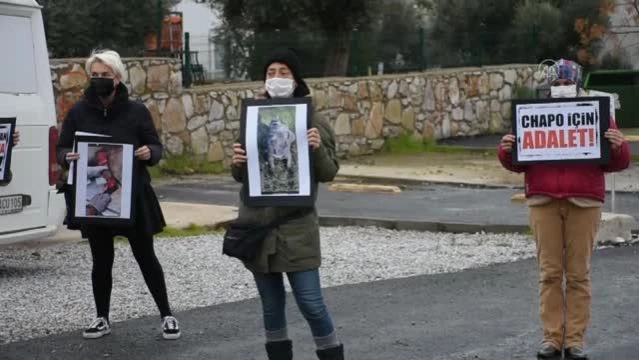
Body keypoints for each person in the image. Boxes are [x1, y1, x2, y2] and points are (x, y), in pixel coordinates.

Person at [498, 59, 630, 359]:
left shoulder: (598, 115)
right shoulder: (532, 114)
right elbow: (517, 161)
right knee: (549, 273)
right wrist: (505, 150)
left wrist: (619, 145)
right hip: (543, 200)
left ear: (578, 84)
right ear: (549, 86)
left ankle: (574, 341)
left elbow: (617, 161)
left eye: (566, 83)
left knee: (579, 274)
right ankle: (551, 339)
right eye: (556, 84)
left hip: (584, 201)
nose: (560, 88)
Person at [56, 49, 180, 341]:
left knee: (146, 256)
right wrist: (67, 157)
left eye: (105, 75)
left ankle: (167, 314)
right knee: (101, 260)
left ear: (118, 77)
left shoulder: (137, 111)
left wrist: (150, 153)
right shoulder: (78, 112)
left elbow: (155, 147)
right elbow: (62, 148)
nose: (99, 80)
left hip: (132, 197)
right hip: (93, 199)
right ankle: (102, 318)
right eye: (95, 75)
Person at [230, 48, 345, 360]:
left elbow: (329, 172)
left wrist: (317, 148)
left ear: (296, 79)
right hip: (257, 227)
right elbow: (244, 176)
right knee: (271, 305)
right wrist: (237, 162)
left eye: (283, 72)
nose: (276, 78)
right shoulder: (253, 119)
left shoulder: (314, 122)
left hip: (297, 228)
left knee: (311, 302)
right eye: (271, 72)